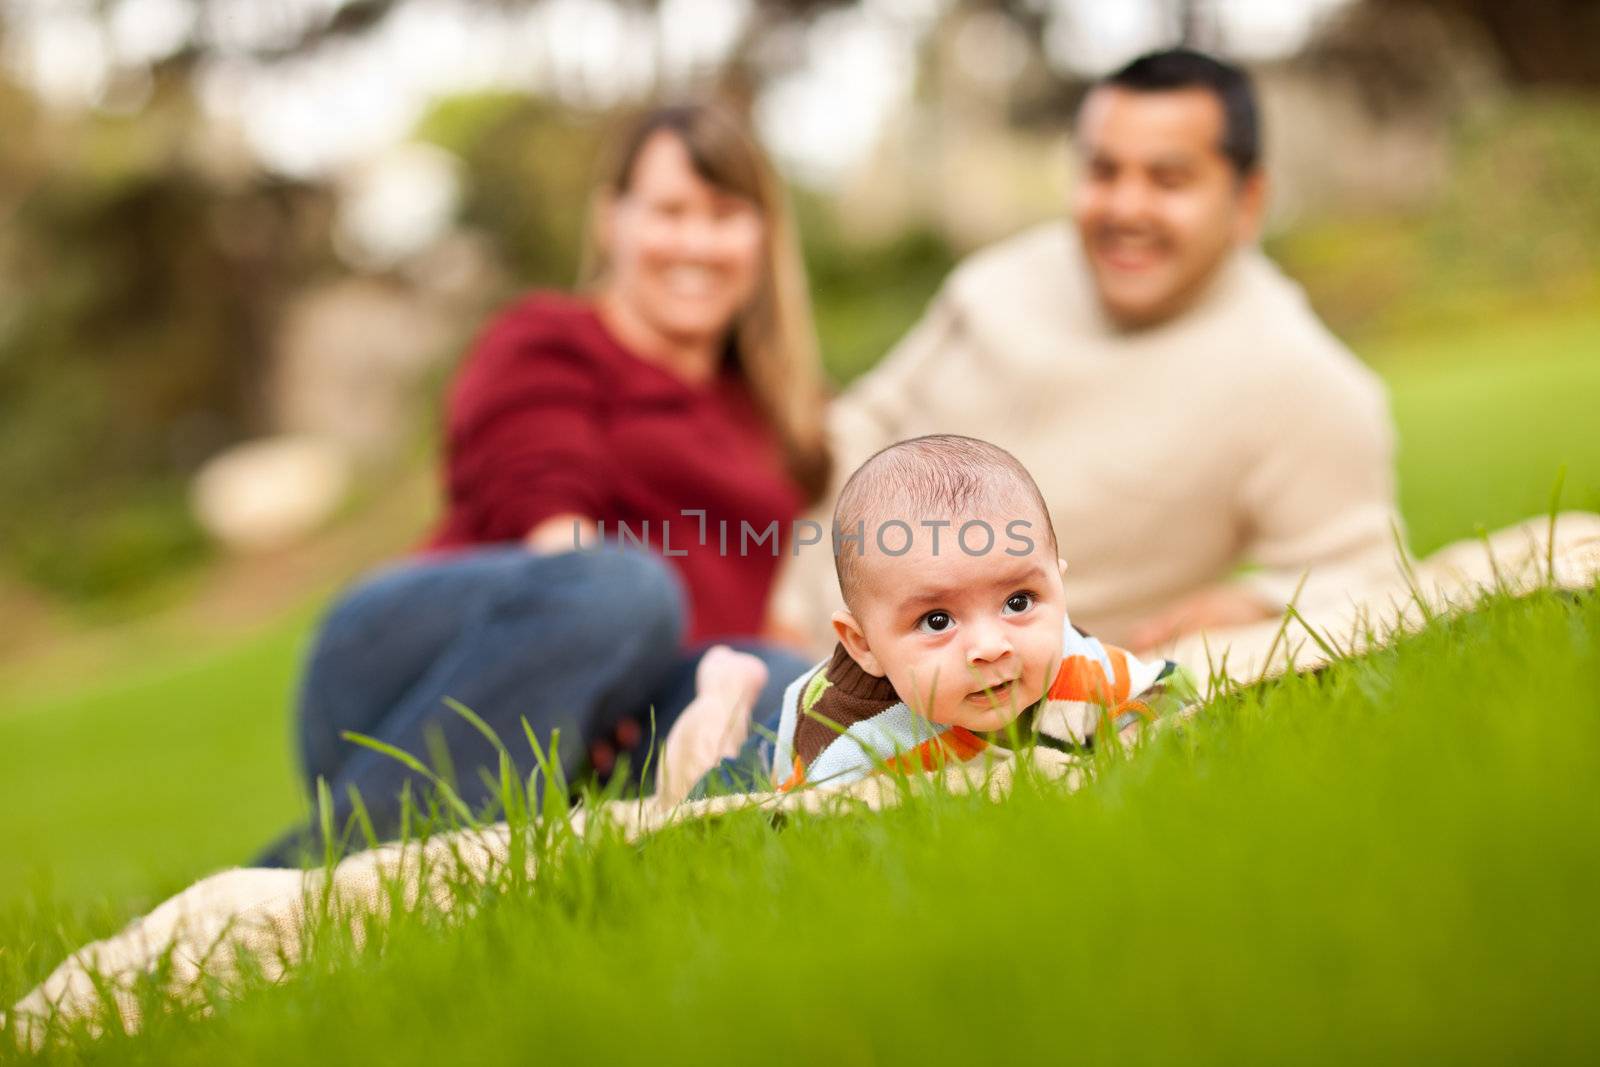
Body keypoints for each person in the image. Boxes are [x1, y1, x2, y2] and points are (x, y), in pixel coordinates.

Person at [258, 101, 830, 864]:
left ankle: (555, 856)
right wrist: (621, 660)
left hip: (603, 725)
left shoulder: (769, 415)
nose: (695, 241)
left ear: (761, 237)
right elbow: (551, 521)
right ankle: (305, 875)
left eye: (724, 215)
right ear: (610, 220)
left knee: (785, 685)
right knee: (624, 588)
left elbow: (745, 603)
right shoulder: (550, 340)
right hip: (417, 678)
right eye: (669, 211)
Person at [769, 48, 1400, 657]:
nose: (1125, 207)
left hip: (943, 691)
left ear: (1247, 202)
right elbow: (859, 425)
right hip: (779, 601)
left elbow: (1368, 571)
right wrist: (785, 601)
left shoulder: (1296, 377)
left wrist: (1259, 601)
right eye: (1103, 171)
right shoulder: (997, 282)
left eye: (1168, 179)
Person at [656, 436, 1196, 804]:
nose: (989, 647)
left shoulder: (1080, 667)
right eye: (937, 620)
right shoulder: (848, 743)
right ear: (862, 644)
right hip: (787, 740)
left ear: (1058, 583)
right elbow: (792, 833)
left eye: (1018, 602)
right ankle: (717, 707)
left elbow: (1169, 703)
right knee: (702, 793)